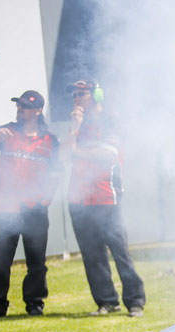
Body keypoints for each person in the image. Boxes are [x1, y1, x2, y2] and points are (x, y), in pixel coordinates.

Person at [62, 80, 145, 317]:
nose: (76, 98)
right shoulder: (77, 124)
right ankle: (107, 301)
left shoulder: (111, 120)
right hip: (79, 200)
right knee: (92, 255)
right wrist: (74, 128)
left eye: (82, 94)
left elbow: (108, 155)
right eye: (74, 94)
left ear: (97, 95)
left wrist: (78, 152)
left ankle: (135, 302)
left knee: (120, 252)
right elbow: (63, 155)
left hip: (107, 196)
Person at [0, 90, 59, 318]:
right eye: (19, 106)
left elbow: (56, 173)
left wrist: (45, 199)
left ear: (38, 111)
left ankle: (34, 304)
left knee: (37, 262)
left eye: (25, 106)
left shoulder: (50, 140)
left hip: (35, 210)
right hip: (5, 209)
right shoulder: (7, 131)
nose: (20, 110)